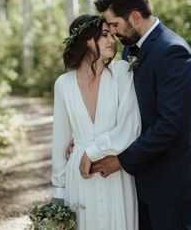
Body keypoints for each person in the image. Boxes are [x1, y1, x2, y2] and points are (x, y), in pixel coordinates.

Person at [90, 0, 191, 230]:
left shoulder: (173, 52)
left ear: (133, 17)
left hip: (171, 181)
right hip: (140, 178)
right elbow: (124, 108)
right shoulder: (130, 49)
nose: (112, 32)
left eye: (114, 24)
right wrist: (87, 139)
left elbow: (171, 125)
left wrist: (122, 160)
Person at [51, 14, 141, 230]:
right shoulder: (63, 84)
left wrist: (91, 152)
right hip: (80, 179)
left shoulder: (121, 72)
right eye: (103, 35)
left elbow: (131, 127)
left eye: (112, 34)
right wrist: (59, 190)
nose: (112, 40)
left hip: (115, 174)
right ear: (85, 40)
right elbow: (60, 140)